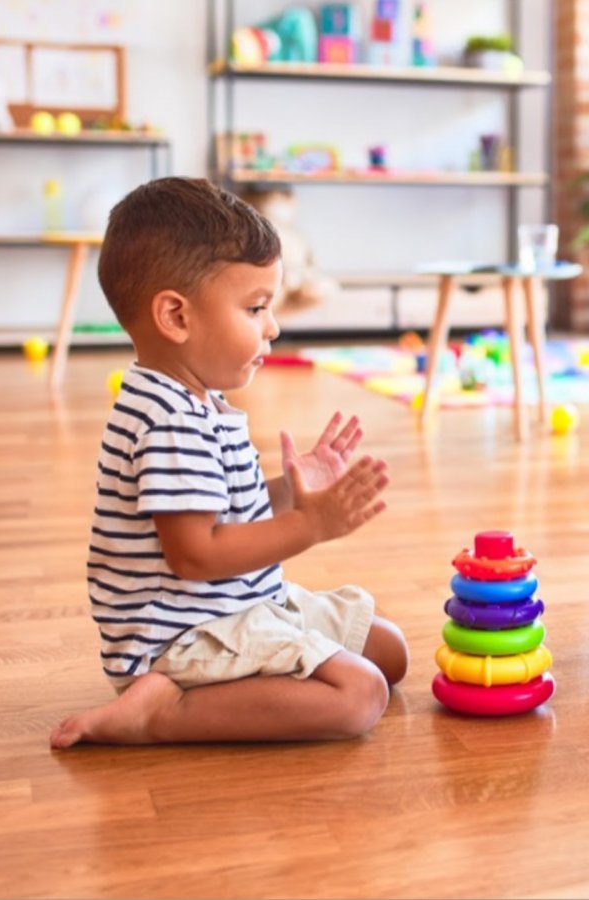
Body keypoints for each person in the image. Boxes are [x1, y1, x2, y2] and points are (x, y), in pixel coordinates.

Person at [50, 177, 405, 749]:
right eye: (256, 307)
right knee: (360, 695)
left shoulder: (193, 398)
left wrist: (292, 490)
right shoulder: (170, 420)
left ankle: (204, 691)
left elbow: (221, 514)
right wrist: (309, 526)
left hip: (236, 607)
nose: (273, 326)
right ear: (176, 316)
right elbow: (196, 554)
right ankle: (162, 710)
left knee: (389, 650)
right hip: (184, 636)